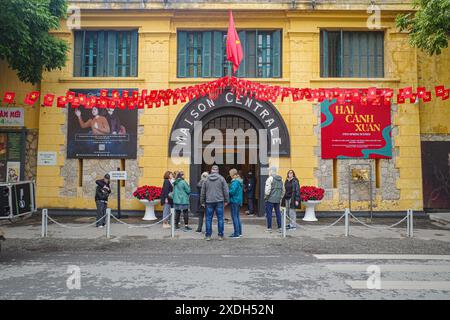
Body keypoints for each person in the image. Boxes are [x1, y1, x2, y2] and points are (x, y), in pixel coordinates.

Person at [200, 165, 229, 241]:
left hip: (209, 201)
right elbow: (226, 190)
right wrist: (226, 200)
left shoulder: (206, 179)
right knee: (220, 218)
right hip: (219, 201)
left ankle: (208, 236)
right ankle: (220, 235)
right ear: (218, 171)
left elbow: (202, 191)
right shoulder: (221, 179)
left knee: (208, 219)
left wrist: (202, 201)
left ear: (211, 170)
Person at [264, 167, 285, 233]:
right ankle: (279, 228)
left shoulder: (270, 179)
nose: (269, 172)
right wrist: (280, 197)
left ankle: (269, 228)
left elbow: (267, 190)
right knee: (278, 213)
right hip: (277, 199)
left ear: (271, 171)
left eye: (269, 171)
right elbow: (283, 190)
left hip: (270, 199)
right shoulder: (281, 179)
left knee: (269, 213)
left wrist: (266, 197)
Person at [228, 169, 243, 238]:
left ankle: (236, 233)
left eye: (230, 174)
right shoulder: (239, 181)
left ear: (233, 175)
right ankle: (239, 232)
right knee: (237, 217)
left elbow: (232, 192)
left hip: (234, 201)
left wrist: (227, 190)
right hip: (238, 200)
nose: (230, 175)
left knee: (234, 217)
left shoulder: (235, 182)